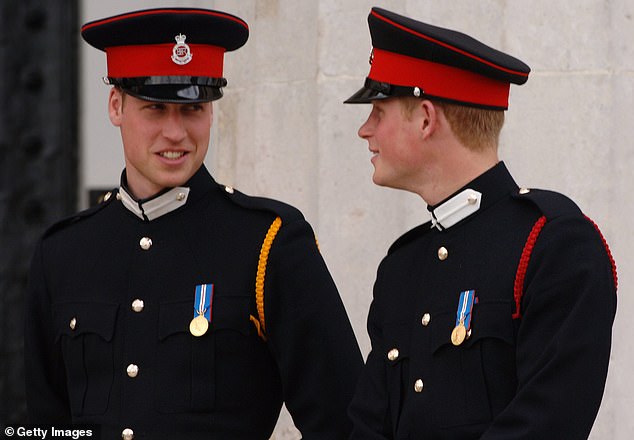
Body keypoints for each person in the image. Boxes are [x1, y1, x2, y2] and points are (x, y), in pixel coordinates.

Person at [24, 7, 362, 440]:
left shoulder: (268, 242)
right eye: (155, 108)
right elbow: (46, 426)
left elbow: (344, 422)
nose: (176, 133)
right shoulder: (63, 253)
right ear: (116, 105)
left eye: (193, 109)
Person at [344, 7, 617, 439]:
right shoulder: (401, 268)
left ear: (427, 119)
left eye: (378, 111)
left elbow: (548, 423)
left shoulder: (553, 244)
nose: (364, 130)